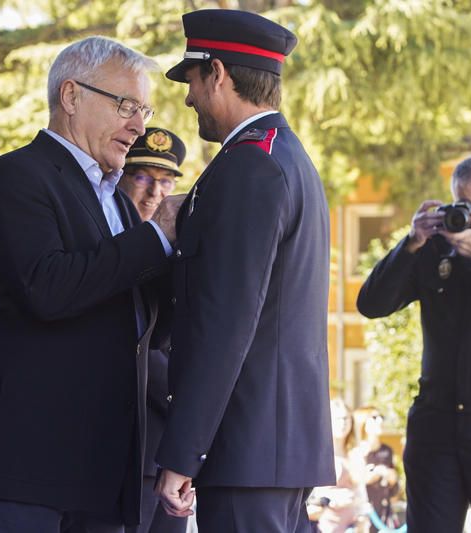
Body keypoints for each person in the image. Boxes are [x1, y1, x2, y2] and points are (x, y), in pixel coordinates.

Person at [0, 36, 181, 533]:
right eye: (126, 106)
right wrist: (158, 235)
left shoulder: (117, 201)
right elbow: (48, 287)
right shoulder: (17, 176)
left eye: (144, 109)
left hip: (100, 478)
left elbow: (139, 320)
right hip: (27, 474)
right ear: (71, 96)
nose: (139, 126)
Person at [154, 10, 335, 532]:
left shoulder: (248, 167)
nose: (188, 97)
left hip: (245, 447)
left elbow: (225, 322)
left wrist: (184, 451)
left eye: (191, 80)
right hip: (275, 448)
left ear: (216, 73)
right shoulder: (288, 158)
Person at [357, 155, 471, 533]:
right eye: (468, 207)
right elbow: (371, 304)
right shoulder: (434, 248)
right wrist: (412, 242)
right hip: (437, 428)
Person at [120, 128, 188, 533]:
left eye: (165, 182)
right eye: (142, 178)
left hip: (167, 448)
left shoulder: (179, 251)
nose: (154, 193)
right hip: (128, 444)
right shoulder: (113, 248)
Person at [308, 399, 368, 533]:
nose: (343, 423)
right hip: (323, 525)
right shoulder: (317, 453)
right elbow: (310, 496)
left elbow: (361, 493)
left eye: (346, 418)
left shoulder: (355, 453)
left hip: (351, 526)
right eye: (338, 418)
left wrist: (363, 517)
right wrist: (331, 499)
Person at [351, 407, 399, 531]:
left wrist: (392, 479)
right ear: (362, 423)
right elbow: (354, 484)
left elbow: (394, 492)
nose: (380, 421)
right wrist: (372, 475)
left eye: (381, 417)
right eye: (374, 417)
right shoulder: (356, 453)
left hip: (385, 518)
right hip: (363, 518)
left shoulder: (387, 451)